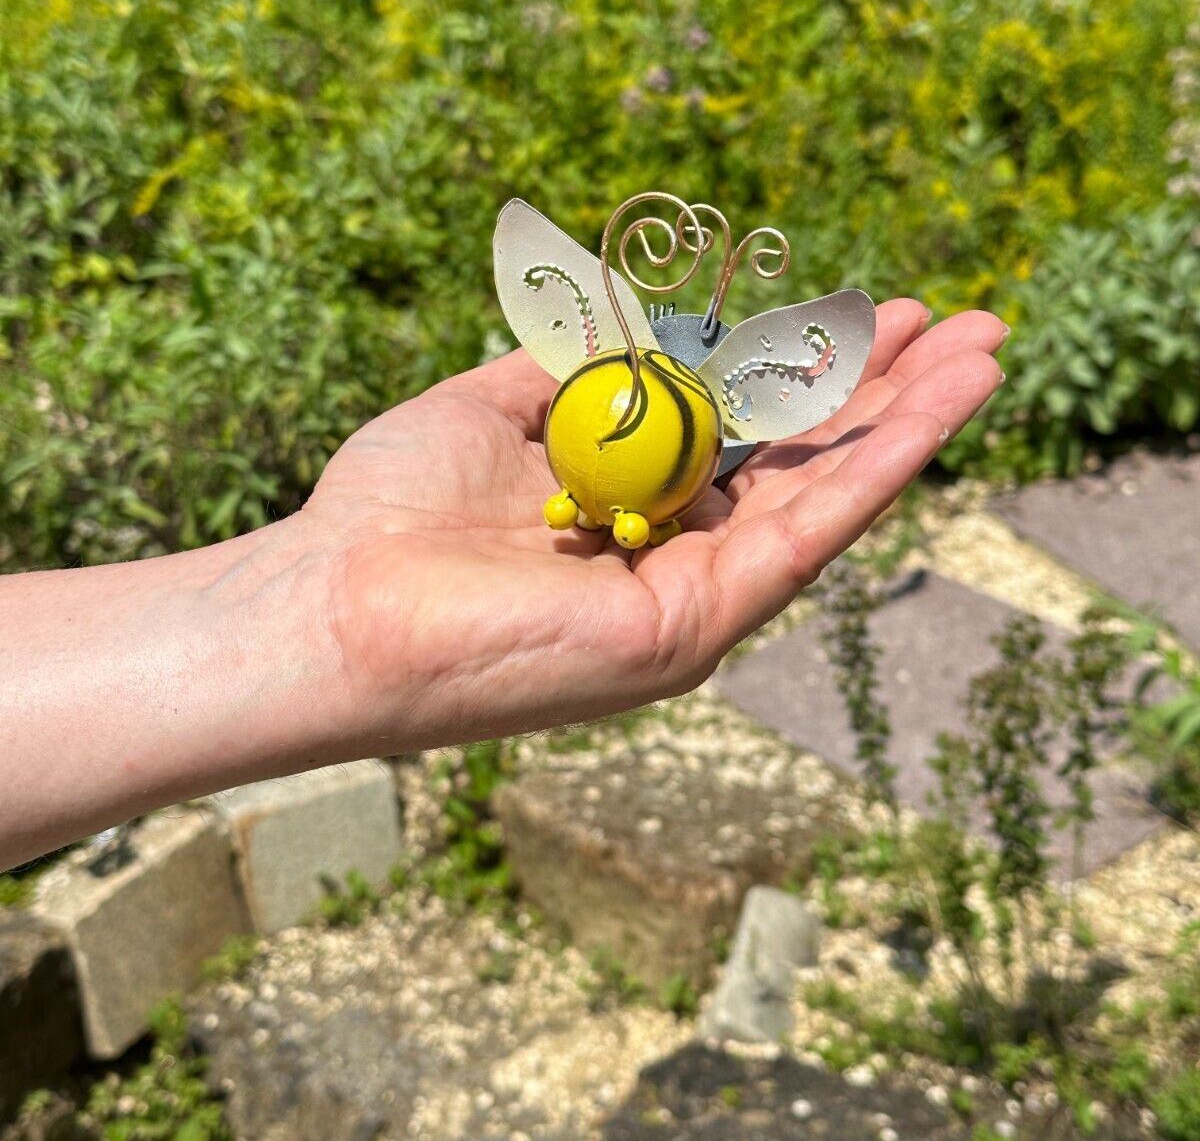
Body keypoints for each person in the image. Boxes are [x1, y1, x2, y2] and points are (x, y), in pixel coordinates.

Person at [0, 299, 1005, 872]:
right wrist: (325, 609)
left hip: (643, 488)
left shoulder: (644, 404)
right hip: (621, 493)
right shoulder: (608, 408)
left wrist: (314, 612)